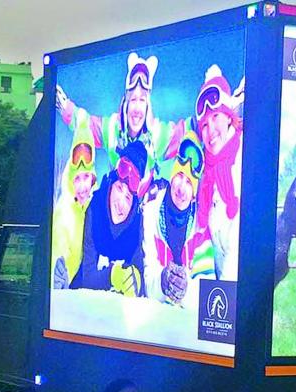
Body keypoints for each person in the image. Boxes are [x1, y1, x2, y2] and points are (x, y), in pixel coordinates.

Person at [56, 52, 186, 200]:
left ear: (148, 105)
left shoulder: (158, 135)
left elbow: (187, 132)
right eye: (133, 100)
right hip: (116, 205)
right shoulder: (111, 129)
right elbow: (86, 124)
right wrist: (65, 107)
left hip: (142, 210)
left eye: (142, 100)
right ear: (126, 103)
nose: (137, 109)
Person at [143, 133, 215, 307]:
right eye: (179, 177)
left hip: (186, 322)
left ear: (194, 195)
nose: (181, 188)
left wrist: (185, 289)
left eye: (189, 183)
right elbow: (147, 281)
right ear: (171, 177)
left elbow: (207, 288)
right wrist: (163, 280)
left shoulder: (201, 223)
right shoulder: (150, 214)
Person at [69, 140, 146, 296]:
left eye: (128, 198)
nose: (121, 204)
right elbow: (87, 277)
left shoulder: (136, 226)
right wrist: (113, 275)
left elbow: (140, 281)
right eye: (119, 189)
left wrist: (136, 281)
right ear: (110, 186)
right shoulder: (94, 209)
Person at [195, 65, 244, 280]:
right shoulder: (205, 174)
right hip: (221, 295)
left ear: (227, 115)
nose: (210, 130)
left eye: (215, 117)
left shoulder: (245, 156)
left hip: (243, 292)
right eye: (204, 124)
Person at [52, 111, 98, 289]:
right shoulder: (63, 213)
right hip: (67, 295)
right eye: (77, 179)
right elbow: (58, 252)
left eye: (86, 177)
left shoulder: (96, 208)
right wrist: (58, 280)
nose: (82, 186)